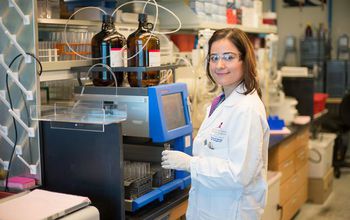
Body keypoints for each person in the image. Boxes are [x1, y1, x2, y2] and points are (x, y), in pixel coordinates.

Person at [161, 28, 270, 220]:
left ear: (244, 60)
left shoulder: (246, 109)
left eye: (229, 57)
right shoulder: (222, 100)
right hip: (213, 208)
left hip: (231, 211)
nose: (219, 65)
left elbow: (239, 174)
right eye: (214, 57)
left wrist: (190, 164)